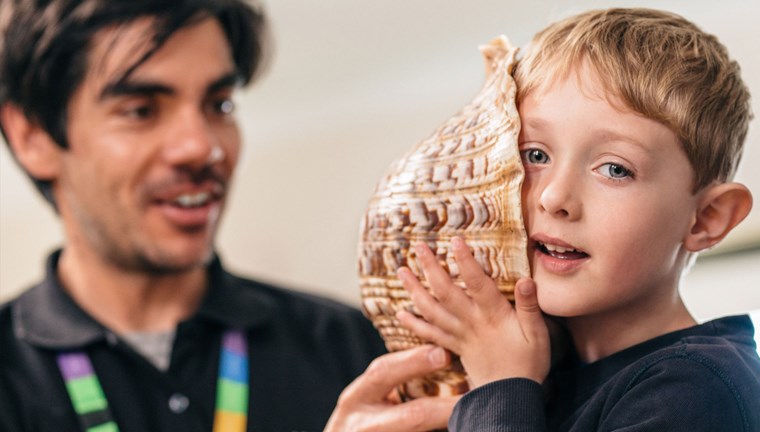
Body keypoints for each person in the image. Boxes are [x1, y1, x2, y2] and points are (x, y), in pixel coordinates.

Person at [0, 1, 457, 431]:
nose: (203, 147)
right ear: (32, 136)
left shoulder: (350, 345)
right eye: (141, 110)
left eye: (218, 104)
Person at [395, 8, 760, 431]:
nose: (555, 197)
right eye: (535, 155)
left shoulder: (699, 387)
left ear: (705, 219)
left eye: (614, 169)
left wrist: (500, 385)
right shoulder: (541, 367)